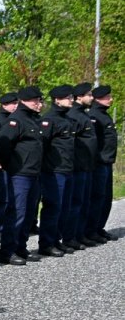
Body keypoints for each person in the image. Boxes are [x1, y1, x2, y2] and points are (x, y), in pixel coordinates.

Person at [0, 86, 45, 265]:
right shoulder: (16, 121)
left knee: (29, 213)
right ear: (24, 101)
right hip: (19, 174)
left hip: (34, 173)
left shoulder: (33, 120)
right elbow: (3, 146)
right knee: (17, 213)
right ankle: (7, 251)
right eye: (36, 101)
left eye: (40, 100)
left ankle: (20, 248)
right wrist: (10, 166)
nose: (39, 104)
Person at [37, 85, 75, 256]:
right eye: (68, 98)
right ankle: (46, 243)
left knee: (64, 207)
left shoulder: (66, 119)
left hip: (67, 168)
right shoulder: (49, 120)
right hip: (53, 171)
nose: (72, 100)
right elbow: (42, 145)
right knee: (53, 207)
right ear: (57, 100)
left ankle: (56, 240)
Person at [63, 83, 98, 250]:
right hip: (77, 166)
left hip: (87, 166)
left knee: (84, 202)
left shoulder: (83, 114)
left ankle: (81, 234)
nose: (92, 98)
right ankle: (70, 237)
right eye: (89, 95)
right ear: (79, 97)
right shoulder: (74, 116)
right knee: (75, 203)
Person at [86, 85, 117, 242]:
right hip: (99, 163)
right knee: (97, 197)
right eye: (107, 97)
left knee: (105, 198)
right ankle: (91, 230)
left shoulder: (104, 115)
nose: (111, 99)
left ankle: (99, 227)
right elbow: (93, 141)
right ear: (98, 99)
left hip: (107, 162)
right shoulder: (94, 116)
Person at [0, 93, 18, 243]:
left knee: (9, 198)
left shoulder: (14, 119)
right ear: (4, 105)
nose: (15, 106)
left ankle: (5, 227)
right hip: (0, 165)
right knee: (0, 198)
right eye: (12, 103)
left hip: (11, 164)